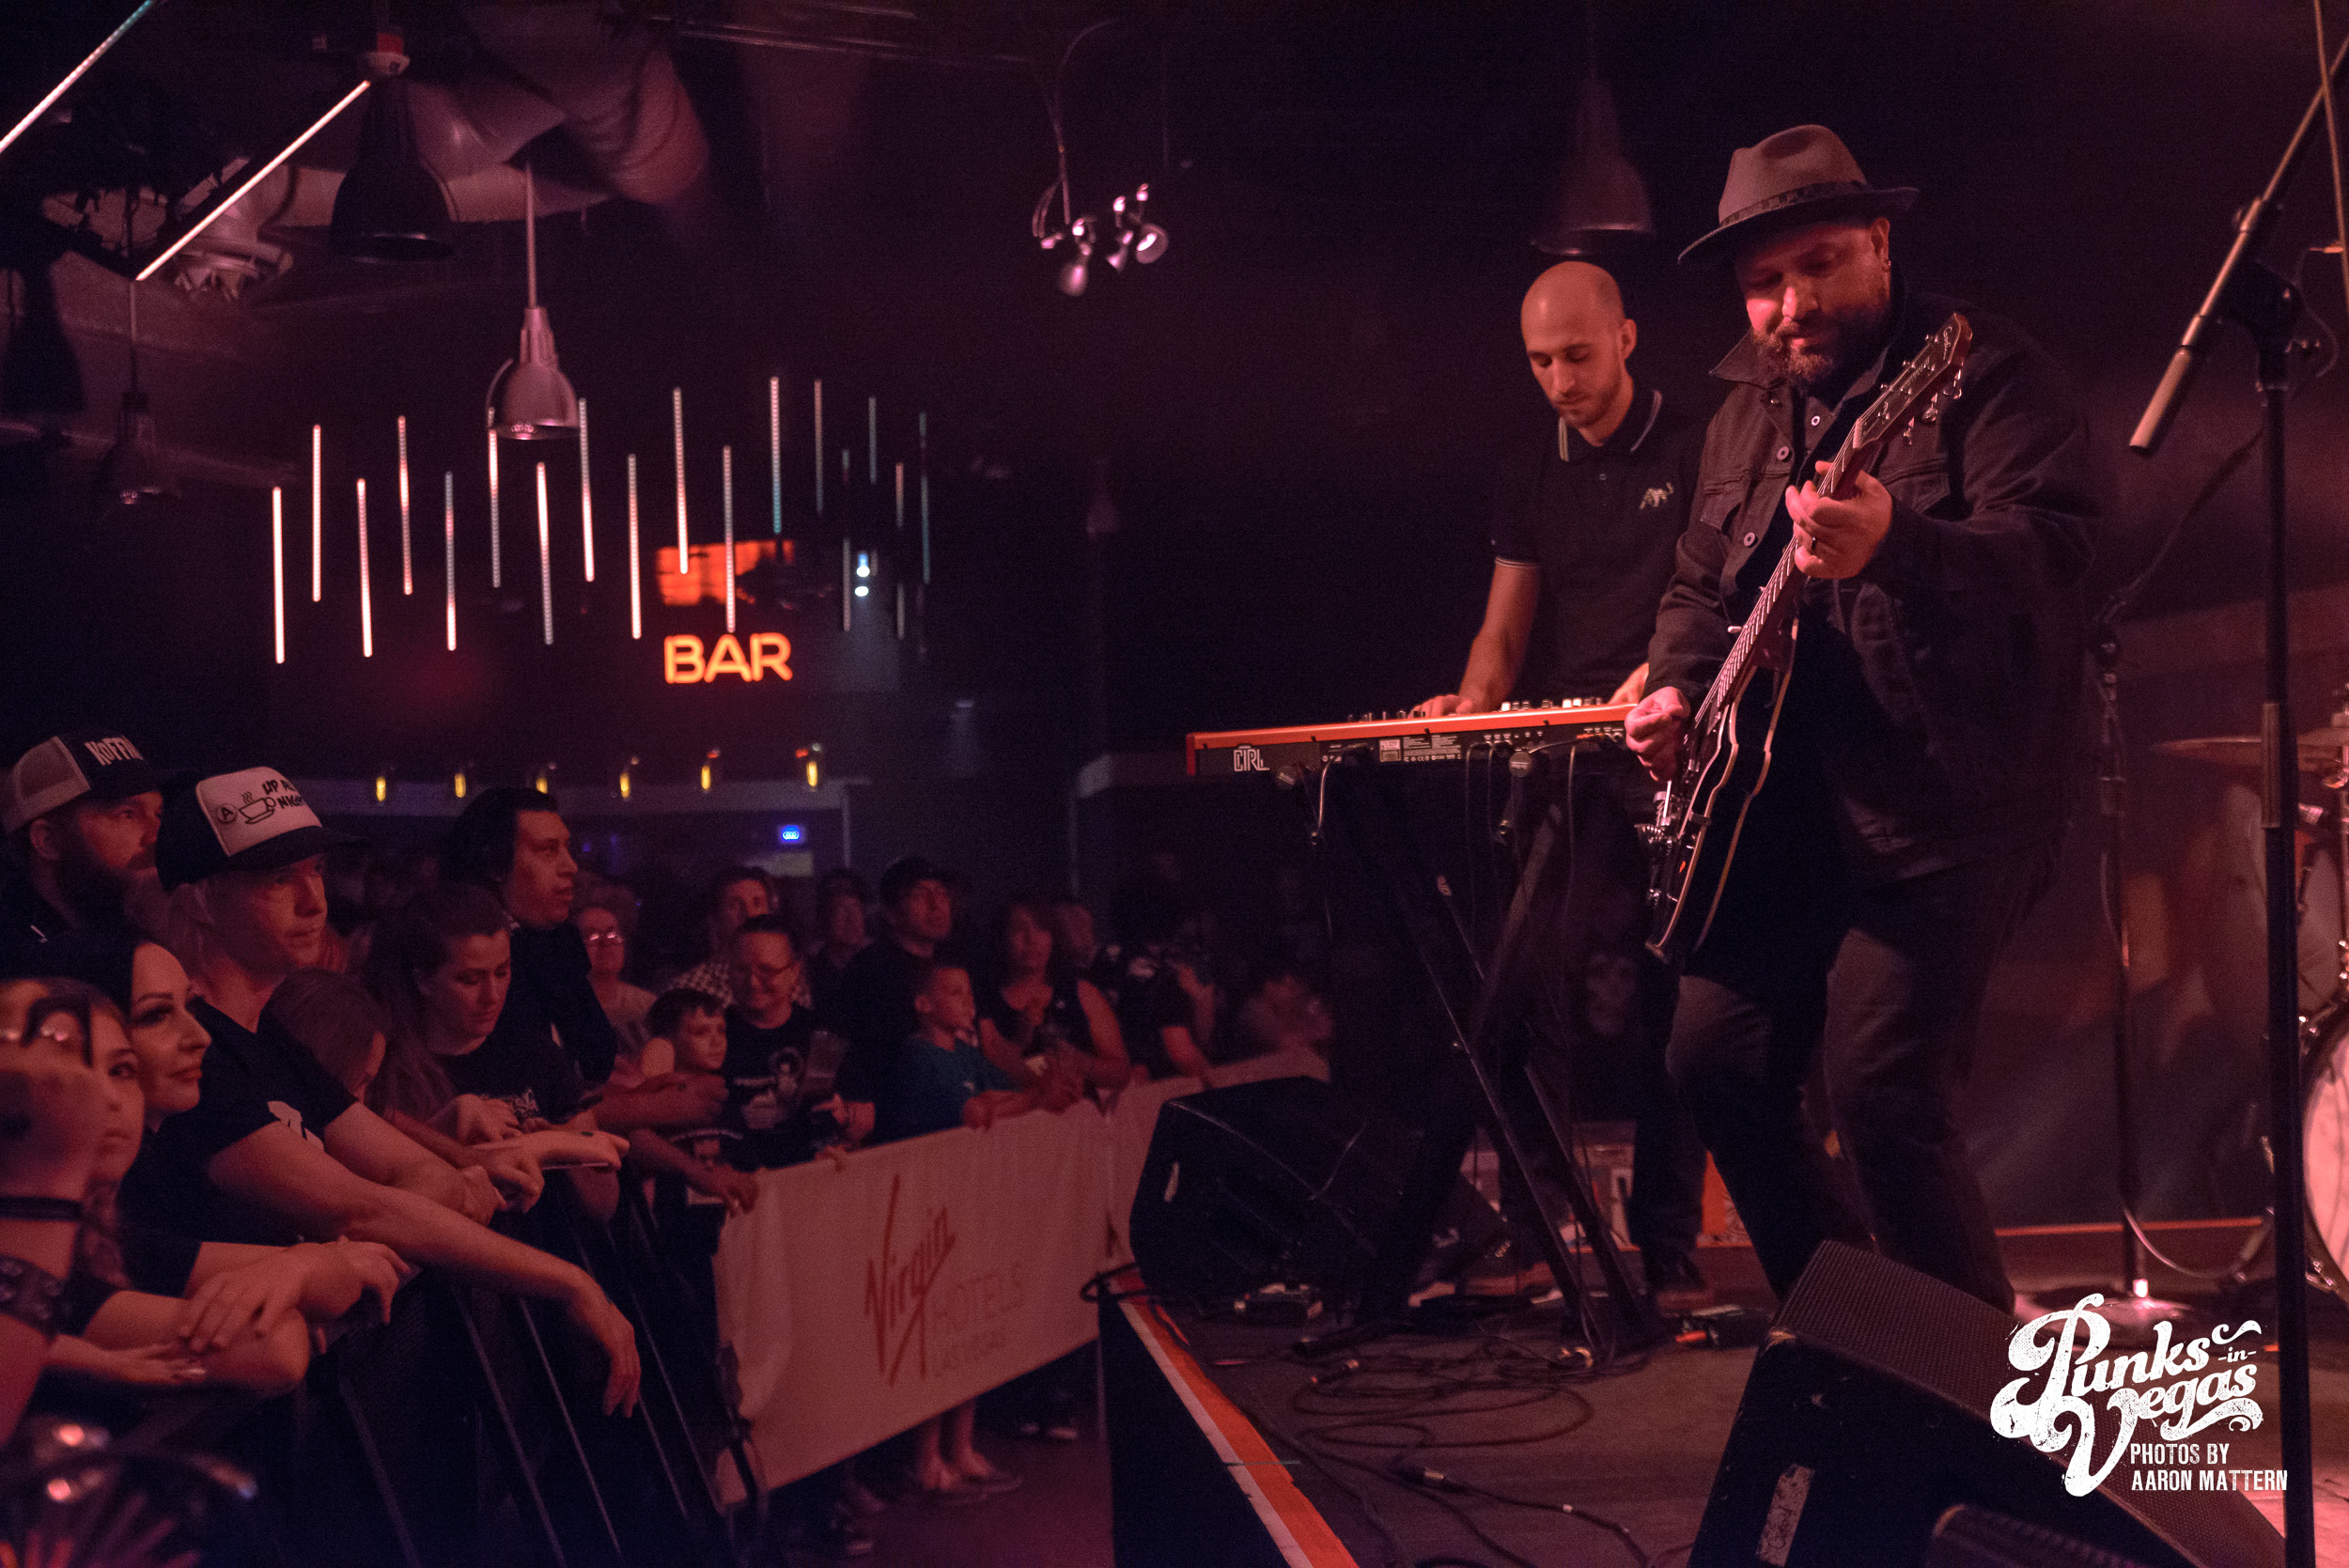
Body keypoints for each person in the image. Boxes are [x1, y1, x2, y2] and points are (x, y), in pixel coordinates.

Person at [1626, 126, 2102, 1312]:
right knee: (1712, 1057)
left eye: (1820, 264)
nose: (1791, 305)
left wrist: (1901, 545)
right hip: (1777, 812)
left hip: (1947, 804)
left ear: (1881, 244)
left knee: (1883, 1090)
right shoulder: (1738, 419)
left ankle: (1974, 1400)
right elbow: (1696, 588)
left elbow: (2061, 556)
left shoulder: (1985, 374)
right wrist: (1676, 686)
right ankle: (1863, 1339)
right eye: (1763, 282)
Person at [120, 767, 640, 1413]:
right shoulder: (196, 1053)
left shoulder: (271, 1035)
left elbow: (417, 1180)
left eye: (315, 871)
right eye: (278, 879)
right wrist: (567, 1282)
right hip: (255, 1425)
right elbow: (366, 1208)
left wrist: (351, 1244)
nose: (313, 901)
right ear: (199, 901)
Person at [885, 959, 1076, 1500]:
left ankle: (962, 1447)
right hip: (929, 1211)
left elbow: (1000, 1096)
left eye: (969, 991)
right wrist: (1032, 1099)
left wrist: (1031, 1094)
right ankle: (925, 1458)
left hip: (968, 1204)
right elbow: (974, 1110)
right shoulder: (918, 1057)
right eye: (953, 991)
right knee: (937, 1333)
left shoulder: (966, 1054)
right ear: (924, 1004)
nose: (967, 1000)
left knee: (968, 1328)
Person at [362, 885, 627, 1220]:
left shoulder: (535, 1054)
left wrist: (563, 1142)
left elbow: (604, 1207)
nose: (492, 994)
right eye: (470, 979)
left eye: (502, 972)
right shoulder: (388, 1067)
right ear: (423, 981)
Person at [443, 785, 620, 1086]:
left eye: (566, 849)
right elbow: (515, 1090)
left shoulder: (557, 942)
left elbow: (593, 1065)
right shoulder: (459, 948)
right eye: (548, 850)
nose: (571, 866)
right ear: (495, 864)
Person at [0, 729, 172, 972]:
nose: (158, 835)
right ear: (48, 841)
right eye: (127, 814)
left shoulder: (143, 926)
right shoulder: (18, 964)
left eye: (158, 814)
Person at [834, 855, 961, 1111]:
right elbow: (863, 1061)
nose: (936, 904)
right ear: (890, 913)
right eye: (919, 894)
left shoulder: (954, 962)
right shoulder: (871, 972)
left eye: (941, 892)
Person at [976, 895, 1132, 1093]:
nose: (1031, 939)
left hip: (1080, 1109)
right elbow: (990, 1072)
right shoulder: (986, 1001)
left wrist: (1081, 1062)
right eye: (1019, 930)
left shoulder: (1081, 993)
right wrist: (1021, 1036)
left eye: (1041, 929)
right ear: (1002, 939)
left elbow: (1121, 1073)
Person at [1105, 872, 1218, 1084]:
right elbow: (1183, 1055)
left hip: (1114, 1086)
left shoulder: (1103, 962)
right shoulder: (1161, 978)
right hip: (1156, 1088)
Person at [664, 866, 776, 1010]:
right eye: (734, 906)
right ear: (715, 919)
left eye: (757, 904)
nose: (749, 914)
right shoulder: (688, 989)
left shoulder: (792, 980)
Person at [575, 882, 656, 1055]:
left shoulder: (646, 1005)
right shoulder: (561, 1008)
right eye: (592, 936)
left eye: (612, 934)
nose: (606, 943)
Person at [805, 868, 871, 1017]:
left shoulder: (882, 965)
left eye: (856, 908)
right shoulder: (809, 971)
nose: (851, 919)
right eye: (839, 910)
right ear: (823, 918)